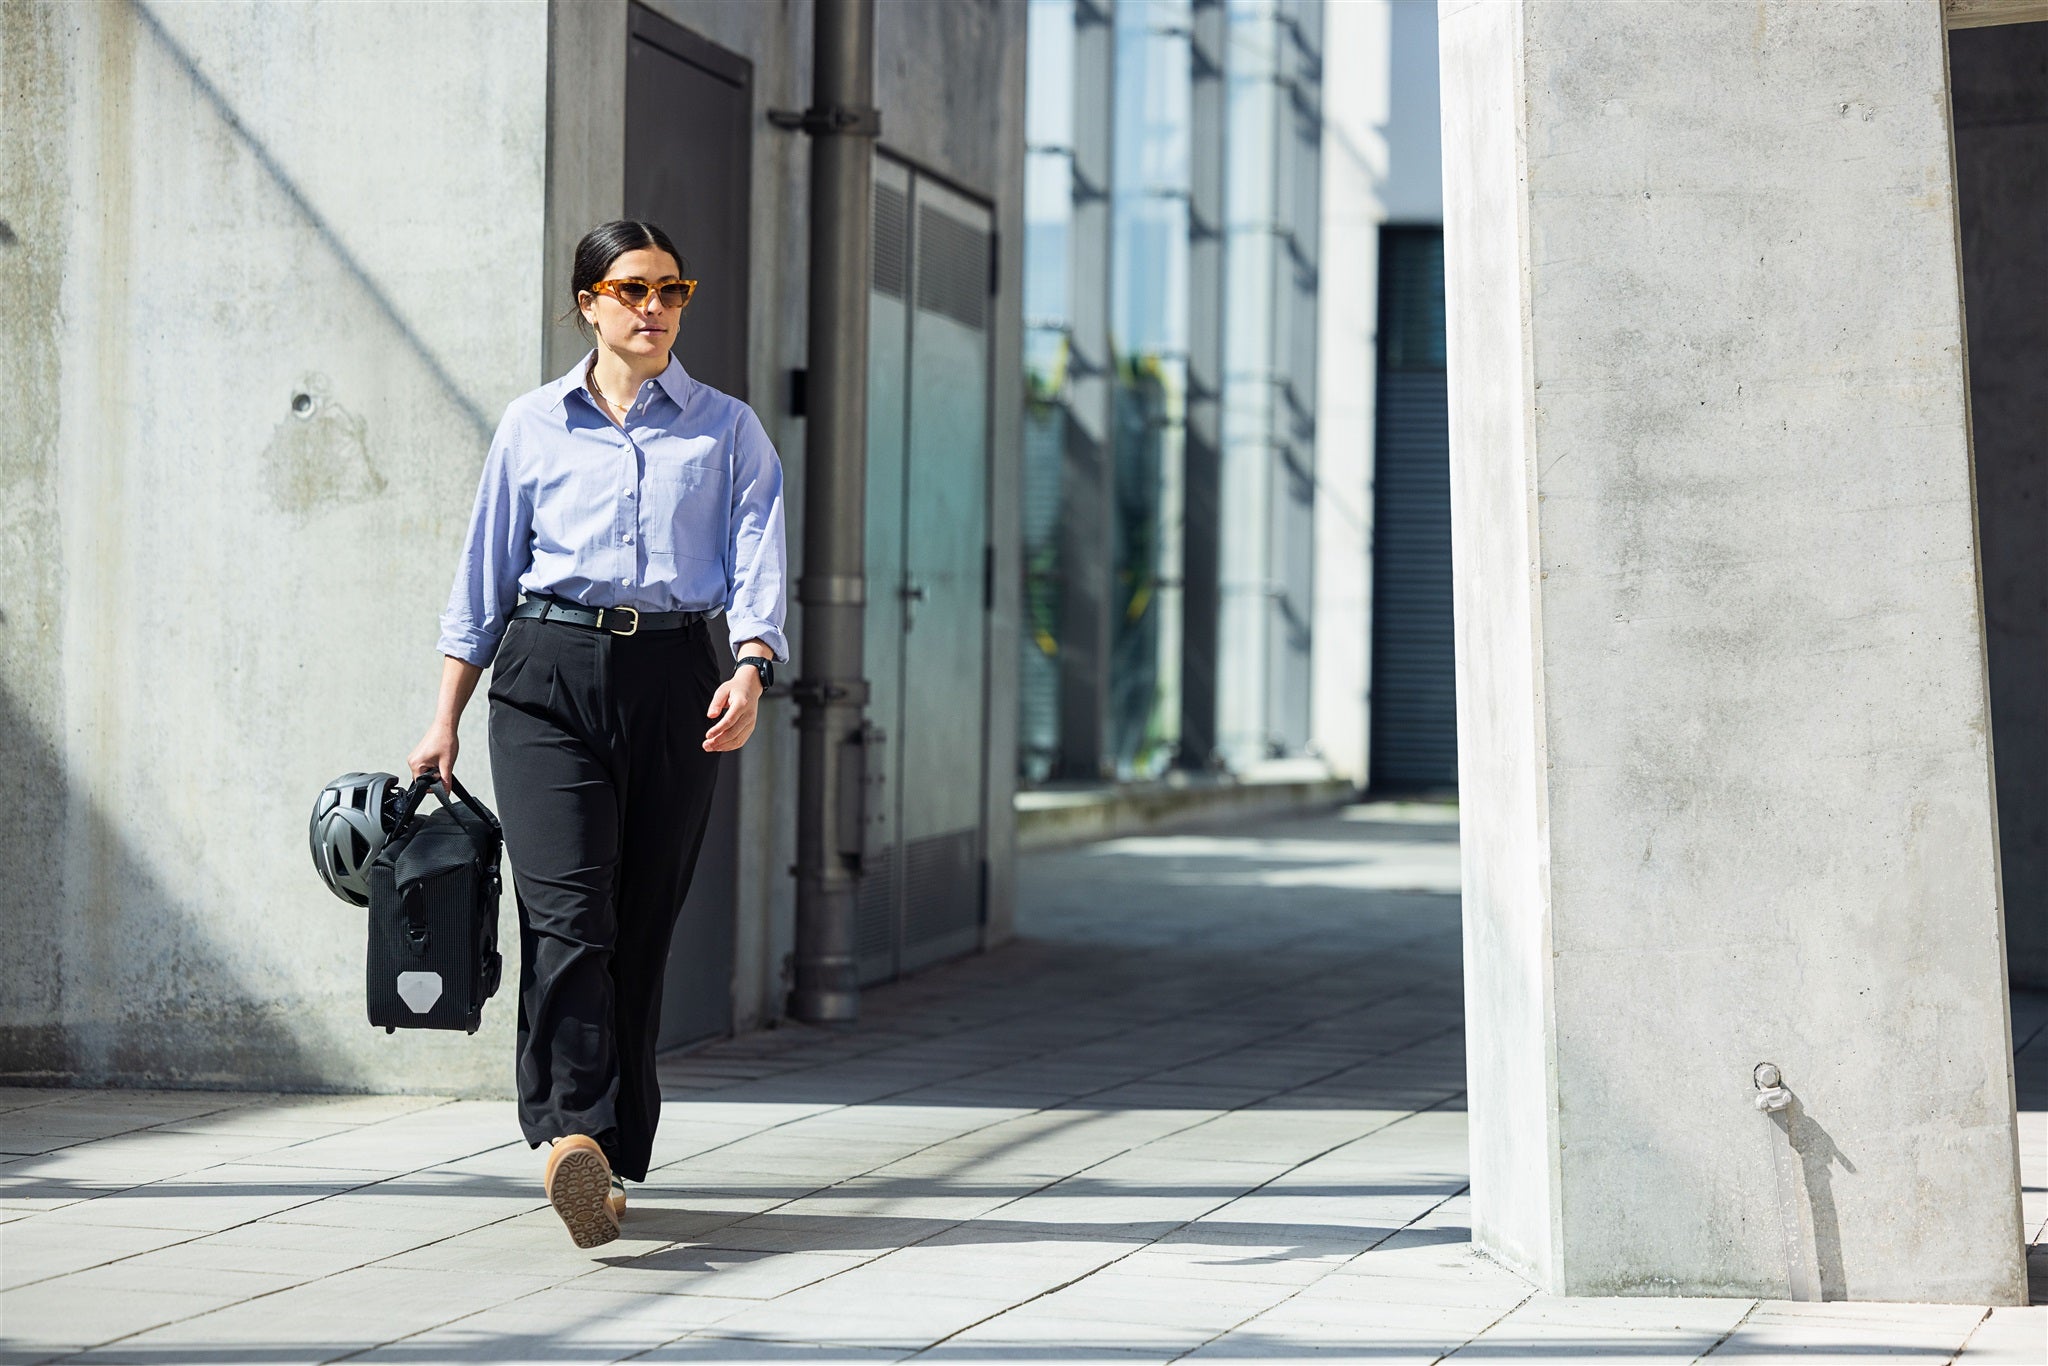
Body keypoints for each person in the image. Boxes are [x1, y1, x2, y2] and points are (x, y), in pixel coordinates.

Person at [409, 220, 786, 1249]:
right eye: (632, 290)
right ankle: (571, 1131)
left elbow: (757, 563)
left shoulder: (726, 430)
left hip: (677, 678)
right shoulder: (532, 426)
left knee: (640, 920)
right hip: (545, 676)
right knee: (569, 911)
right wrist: (443, 716)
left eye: (672, 289)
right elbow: (481, 576)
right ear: (589, 303)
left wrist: (751, 668)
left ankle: (610, 1158)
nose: (655, 308)